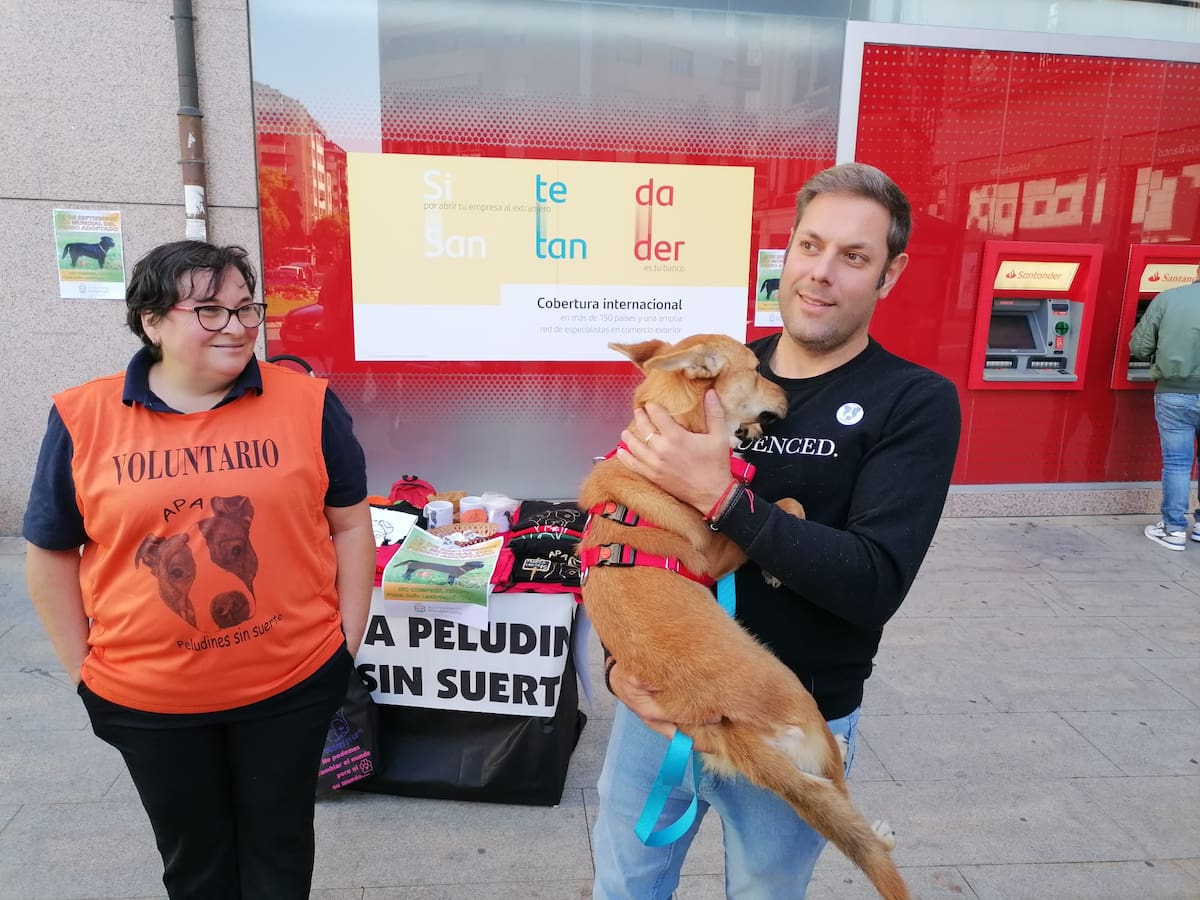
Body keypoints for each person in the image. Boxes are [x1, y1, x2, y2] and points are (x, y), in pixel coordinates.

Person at [592, 163, 961, 899]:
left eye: (853, 257)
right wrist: (614, 666)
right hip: (659, 709)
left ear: (890, 274)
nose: (820, 274)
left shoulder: (913, 401)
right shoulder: (720, 365)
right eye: (809, 246)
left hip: (788, 716)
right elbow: (627, 527)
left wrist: (722, 497)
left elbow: (872, 582)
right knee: (623, 887)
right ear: (785, 253)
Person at [23, 240, 376, 899]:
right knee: (195, 865)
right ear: (151, 320)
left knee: (281, 852)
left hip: (291, 686)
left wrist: (344, 647)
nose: (238, 326)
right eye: (209, 310)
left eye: (247, 308)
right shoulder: (85, 418)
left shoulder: (307, 403)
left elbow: (351, 524)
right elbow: (49, 552)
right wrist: (86, 676)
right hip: (149, 700)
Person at [1129, 263, 1200, 551]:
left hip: (1175, 392)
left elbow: (1140, 347)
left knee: (1177, 464)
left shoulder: (1168, 298)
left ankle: (1173, 530)